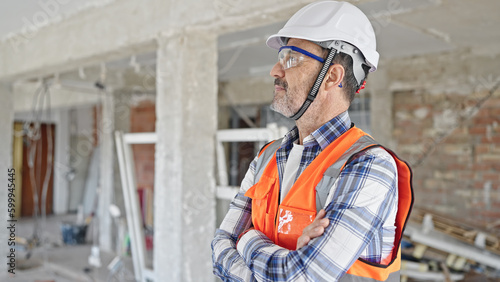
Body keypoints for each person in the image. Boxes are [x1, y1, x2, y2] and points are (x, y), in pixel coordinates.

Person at [212, 1, 414, 281]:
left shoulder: (369, 165)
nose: (275, 70)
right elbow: (219, 250)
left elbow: (303, 276)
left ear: (332, 76)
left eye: (291, 58)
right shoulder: (267, 157)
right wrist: (287, 257)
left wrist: (246, 240)